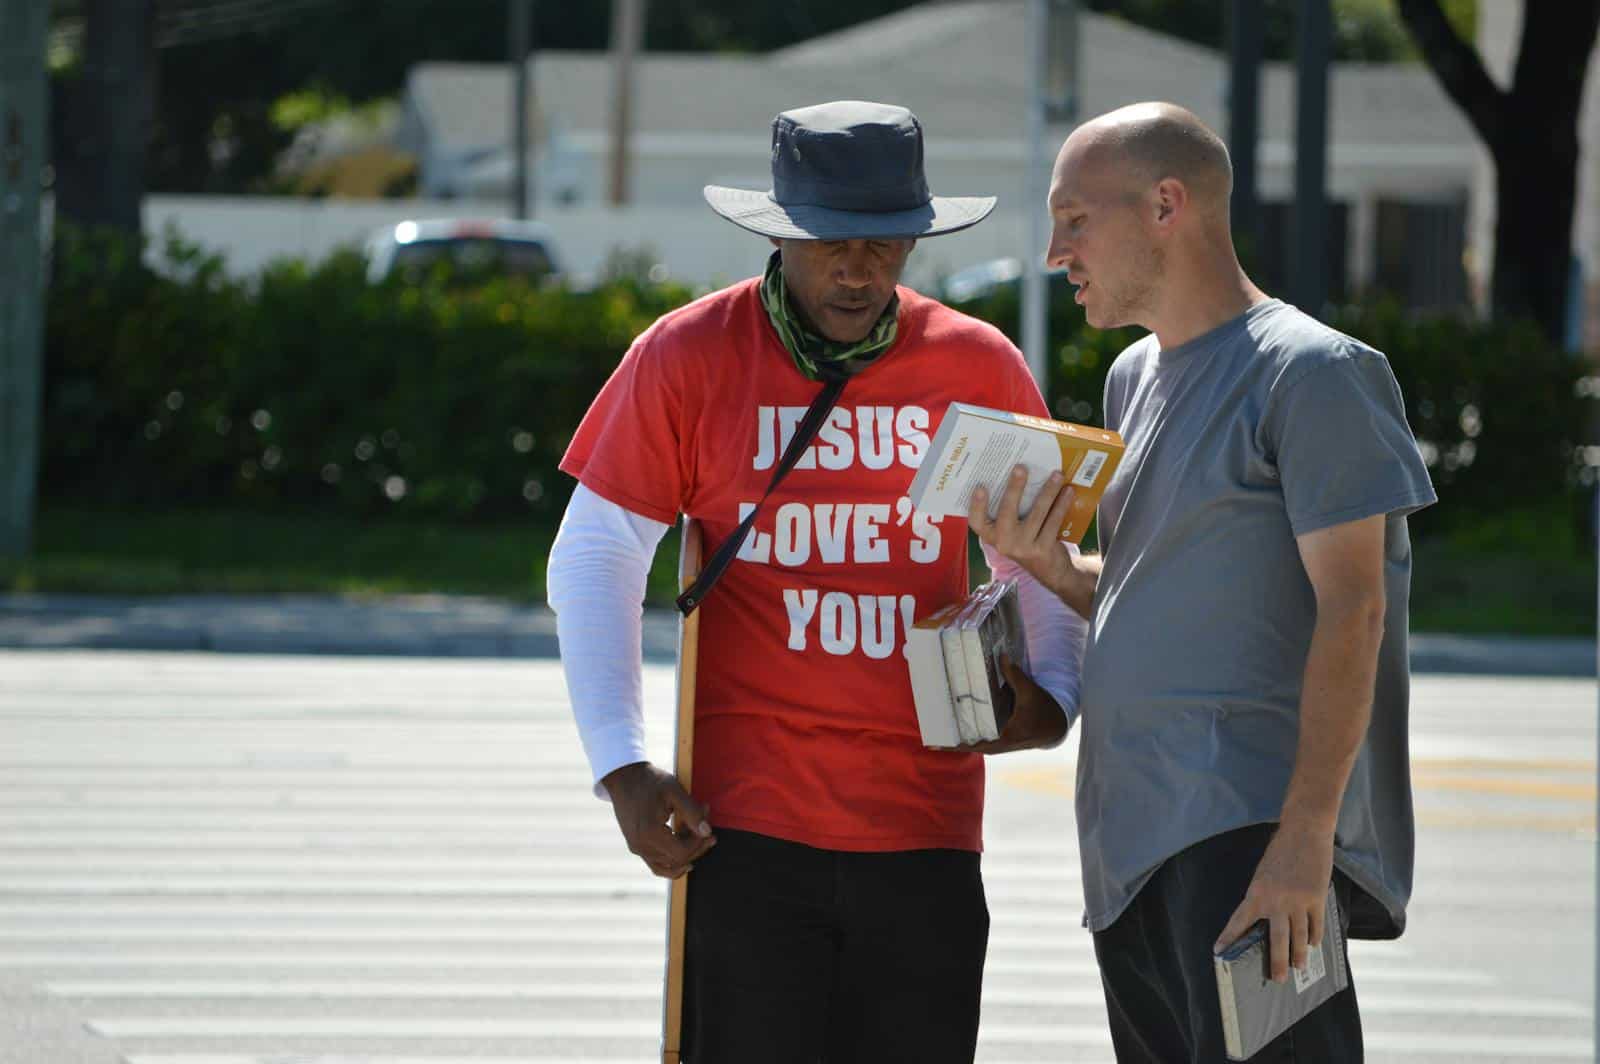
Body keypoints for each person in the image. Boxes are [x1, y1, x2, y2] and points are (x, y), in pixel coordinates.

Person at [547, 100, 1088, 1063]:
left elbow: (1033, 557)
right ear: (780, 230)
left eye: (887, 242)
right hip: (746, 834)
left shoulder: (975, 363)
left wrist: (1053, 697)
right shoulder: (688, 354)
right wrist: (622, 768)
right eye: (830, 239)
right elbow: (596, 554)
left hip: (927, 833)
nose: (858, 268)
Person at [970, 101, 1437, 1062]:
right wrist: (1059, 571)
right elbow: (1167, 595)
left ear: (1165, 205)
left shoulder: (1314, 374)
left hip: (1252, 841)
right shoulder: (1133, 378)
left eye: (1073, 218)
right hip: (1130, 853)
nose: (1056, 252)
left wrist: (1305, 845)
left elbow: (1356, 613)